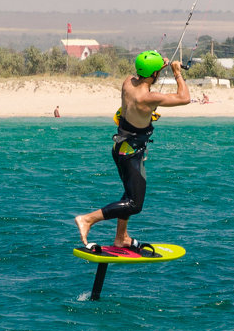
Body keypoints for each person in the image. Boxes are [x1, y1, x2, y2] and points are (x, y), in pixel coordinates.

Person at [74, 51, 190, 252]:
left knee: (128, 193)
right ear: (154, 74)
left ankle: (122, 238)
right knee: (135, 204)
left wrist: (157, 68)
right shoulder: (148, 97)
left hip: (119, 148)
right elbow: (184, 98)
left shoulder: (127, 82)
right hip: (131, 153)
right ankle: (88, 219)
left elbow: (141, 77)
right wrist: (176, 72)